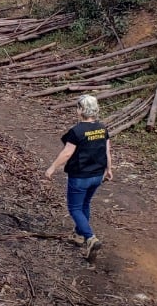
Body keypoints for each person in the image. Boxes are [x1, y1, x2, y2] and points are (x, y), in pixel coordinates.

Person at [45, 94, 113, 262]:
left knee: (75, 208)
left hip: (80, 176)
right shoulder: (102, 128)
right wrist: (109, 169)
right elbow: (107, 151)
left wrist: (52, 167)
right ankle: (79, 235)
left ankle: (90, 238)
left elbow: (67, 153)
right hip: (97, 175)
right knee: (85, 204)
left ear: (81, 110)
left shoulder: (77, 131)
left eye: (78, 108)